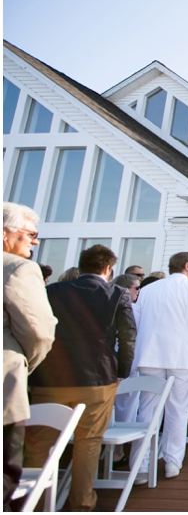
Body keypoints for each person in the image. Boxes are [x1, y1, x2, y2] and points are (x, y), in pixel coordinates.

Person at [26, 245, 135, 512]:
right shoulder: (117, 294)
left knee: (39, 443)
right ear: (108, 268)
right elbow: (128, 338)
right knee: (88, 444)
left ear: (81, 265)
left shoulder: (52, 291)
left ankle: (32, 503)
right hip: (97, 379)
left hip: (50, 378)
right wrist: (122, 372)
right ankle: (82, 504)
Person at [132, 252, 188, 481]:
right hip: (181, 357)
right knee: (178, 410)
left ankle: (140, 465)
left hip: (150, 355)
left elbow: (136, 322)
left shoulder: (148, 289)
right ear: (187, 266)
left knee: (146, 410)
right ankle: (172, 462)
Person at [3, 203, 56, 511]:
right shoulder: (18, 268)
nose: (35, 242)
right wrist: (25, 364)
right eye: (30, 234)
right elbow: (38, 331)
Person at [111, 274, 141, 464]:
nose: (139, 292)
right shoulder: (133, 310)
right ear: (126, 289)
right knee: (125, 405)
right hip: (126, 361)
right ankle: (118, 450)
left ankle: (116, 450)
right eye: (136, 288)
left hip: (112, 360)